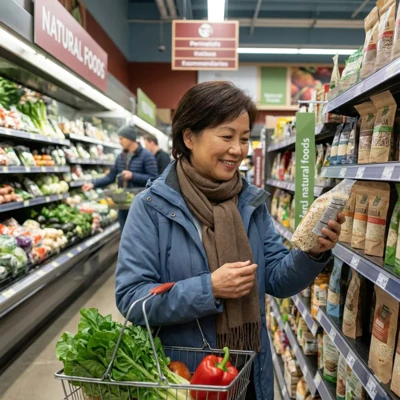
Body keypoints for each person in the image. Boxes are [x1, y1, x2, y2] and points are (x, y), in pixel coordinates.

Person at [115, 81, 344, 399]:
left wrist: (312, 253)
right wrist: (208, 288)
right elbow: (132, 298)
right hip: (186, 379)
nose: (238, 149)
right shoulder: (151, 207)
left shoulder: (250, 203)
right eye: (226, 136)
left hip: (248, 373)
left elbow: (277, 280)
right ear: (189, 136)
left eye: (244, 138)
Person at [82, 125, 157, 231]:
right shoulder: (121, 157)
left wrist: (133, 176)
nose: (119, 141)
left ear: (130, 138)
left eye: (122, 138)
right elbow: (110, 177)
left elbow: (154, 179)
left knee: (139, 234)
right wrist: (93, 184)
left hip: (140, 203)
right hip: (123, 203)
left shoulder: (147, 156)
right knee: (125, 233)